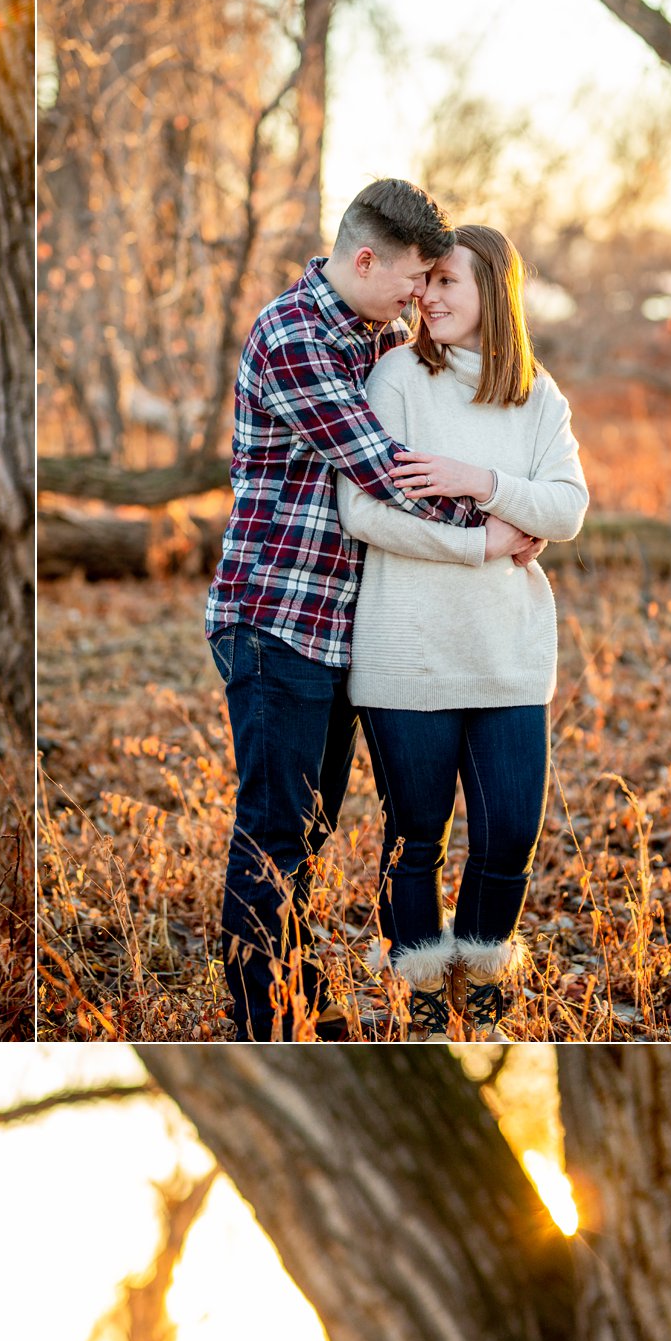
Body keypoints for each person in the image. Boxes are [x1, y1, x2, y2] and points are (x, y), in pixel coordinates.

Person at [201, 179, 488, 1040]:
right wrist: (493, 519)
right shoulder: (291, 336)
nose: (418, 298)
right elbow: (381, 465)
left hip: (334, 631)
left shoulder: (377, 334)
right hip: (274, 621)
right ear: (363, 258)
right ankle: (266, 1020)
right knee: (274, 830)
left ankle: (295, 993)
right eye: (409, 280)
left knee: (311, 824)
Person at [339, 220, 588, 1034]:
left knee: (509, 830)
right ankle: (415, 979)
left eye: (448, 281)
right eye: (427, 280)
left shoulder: (535, 394)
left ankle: (480, 968)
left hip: (506, 652)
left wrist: (476, 478)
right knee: (415, 834)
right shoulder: (398, 375)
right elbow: (362, 512)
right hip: (406, 648)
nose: (428, 294)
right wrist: (480, 540)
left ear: (492, 291)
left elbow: (567, 506)